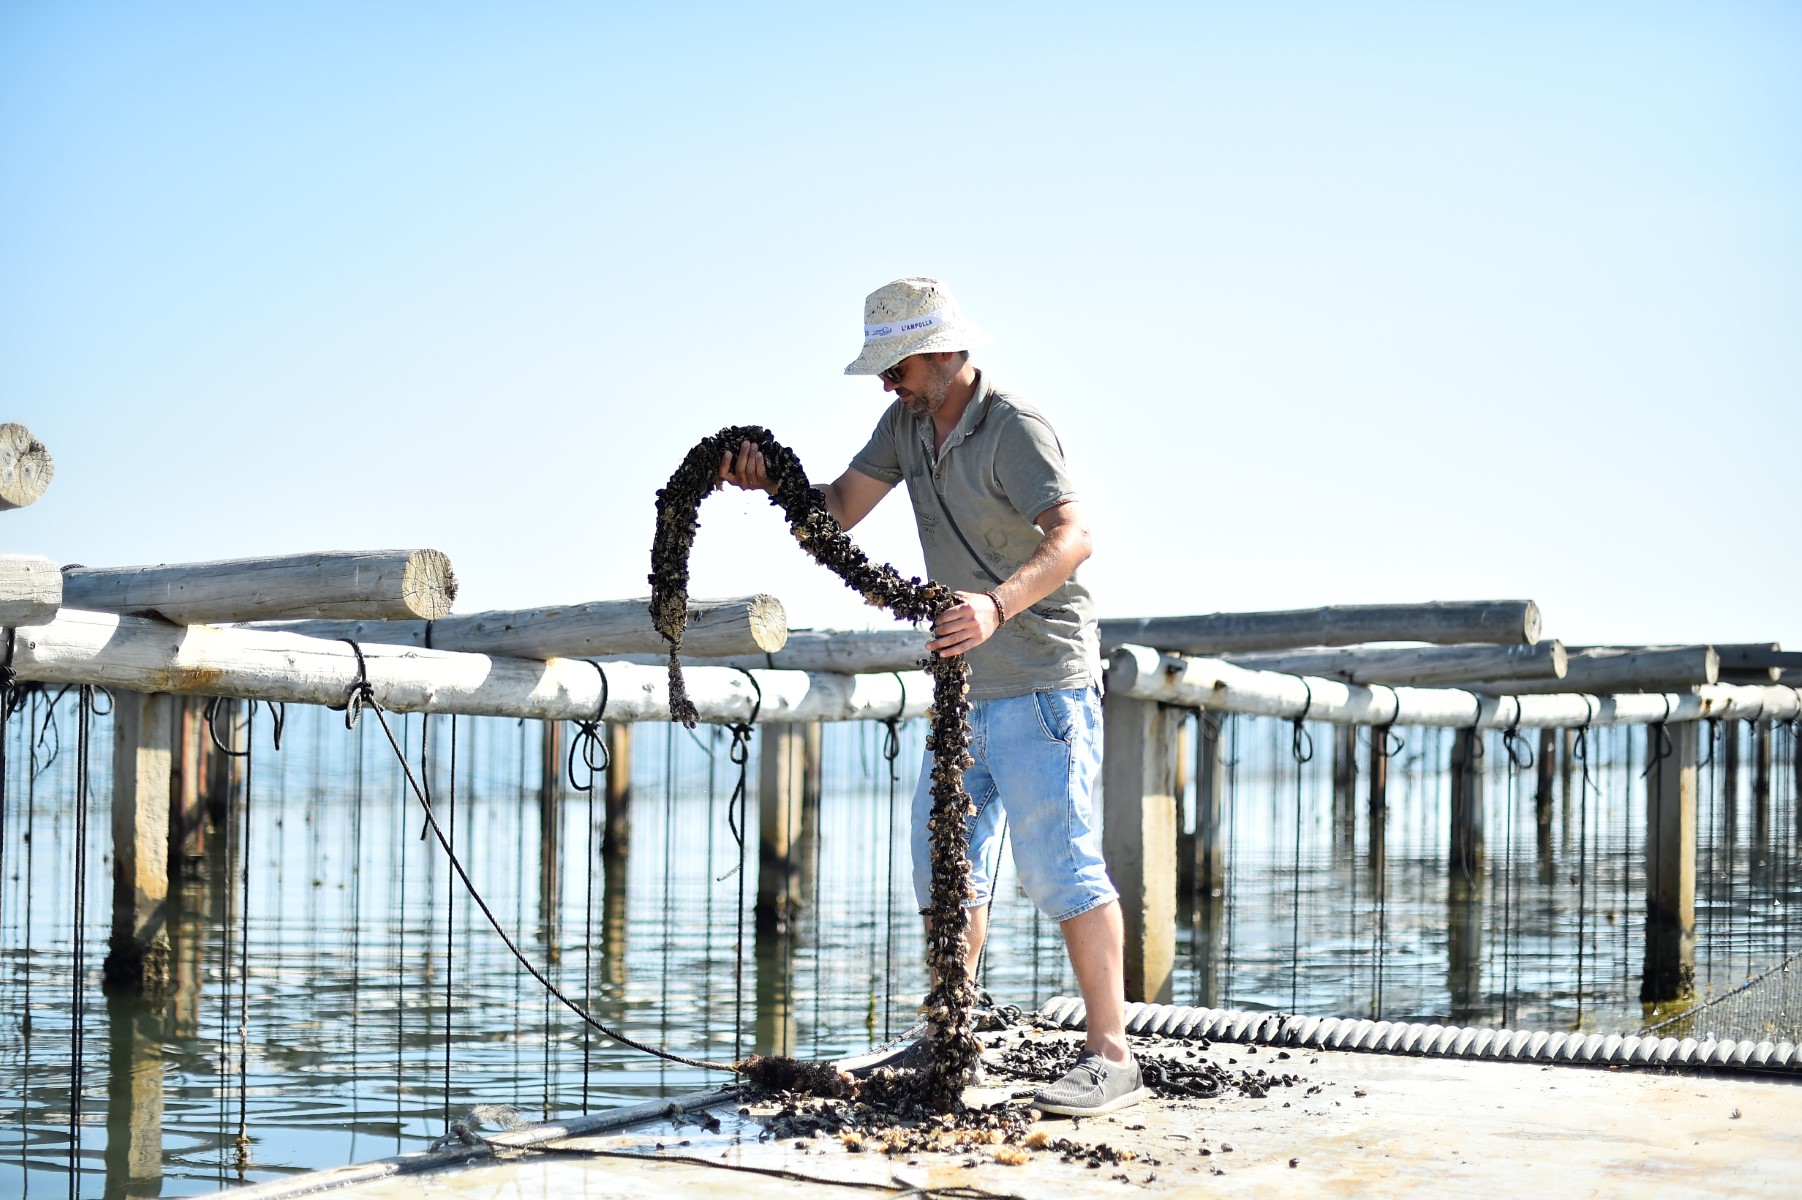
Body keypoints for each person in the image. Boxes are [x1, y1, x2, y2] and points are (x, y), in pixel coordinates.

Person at [719, 277, 1147, 1118]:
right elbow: (838, 510)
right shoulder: (906, 424)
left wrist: (994, 604)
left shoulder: (1014, 426)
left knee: (1061, 867)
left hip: (1041, 681)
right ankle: (956, 1036)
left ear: (947, 351)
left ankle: (1112, 1055)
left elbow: (1076, 536)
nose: (887, 382)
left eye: (898, 365)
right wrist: (775, 481)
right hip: (964, 690)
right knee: (941, 866)